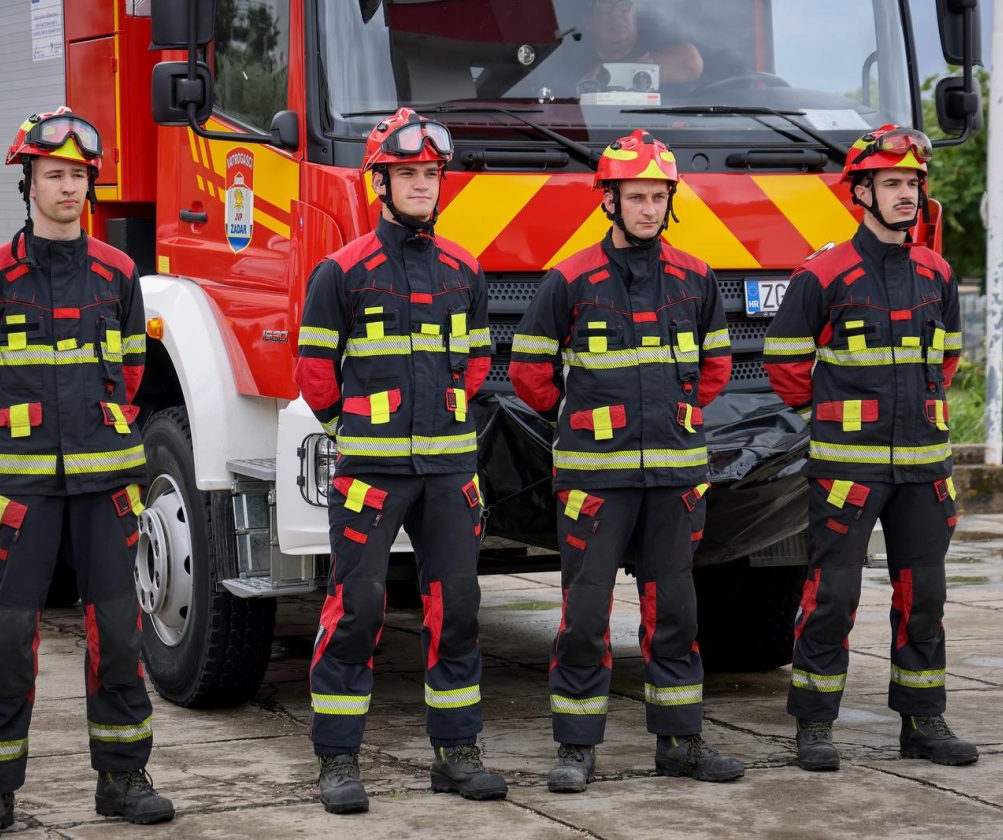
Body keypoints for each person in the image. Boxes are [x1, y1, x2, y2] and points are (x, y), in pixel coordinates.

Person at [0, 106, 173, 839]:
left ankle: (123, 777)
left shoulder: (118, 273)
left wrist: (96, 434)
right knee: (9, 635)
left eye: (77, 175)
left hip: (108, 487)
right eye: (54, 174)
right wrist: (3, 440)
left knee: (120, 633)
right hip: (22, 490)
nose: (67, 187)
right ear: (28, 181)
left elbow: (132, 371)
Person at [509, 129, 740, 793]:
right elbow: (529, 374)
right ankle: (576, 748)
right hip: (595, 481)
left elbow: (716, 364)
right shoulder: (571, 279)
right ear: (608, 201)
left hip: (673, 477)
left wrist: (673, 413)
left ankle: (682, 743)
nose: (648, 208)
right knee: (585, 617)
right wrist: (584, 420)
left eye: (658, 196)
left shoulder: (696, 278)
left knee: (677, 615)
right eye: (636, 196)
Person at [294, 107, 505, 814]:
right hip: (372, 476)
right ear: (379, 183)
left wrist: (443, 425)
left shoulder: (463, 269)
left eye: (430, 174)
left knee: (459, 610)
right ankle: (338, 760)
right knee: (356, 609)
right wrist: (353, 431)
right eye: (408, 174)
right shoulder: (341, 272)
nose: (422, 185)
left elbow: (478, 363)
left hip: (448, 473)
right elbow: (316, 373)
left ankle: (457, 752)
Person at [762, 124, 977, 771]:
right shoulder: (823, 273)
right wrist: (835, 421)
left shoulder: (936, 272)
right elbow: (784, 364)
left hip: (923, 469)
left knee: (925, 595)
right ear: (861, 191)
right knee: (832, 594)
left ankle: (923, 720)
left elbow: (947, 361)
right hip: (847, 467)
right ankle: (815, 725)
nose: (906, 194)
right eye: (891, 183)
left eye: (912, 183)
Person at [582, 0, 703, 88]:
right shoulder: (572, 63)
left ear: (634, 12)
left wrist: (625, 73)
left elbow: (691, 62)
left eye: (624, 4)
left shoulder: (657, 38)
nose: (616, 13)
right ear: (587, 20)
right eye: (605, 6)